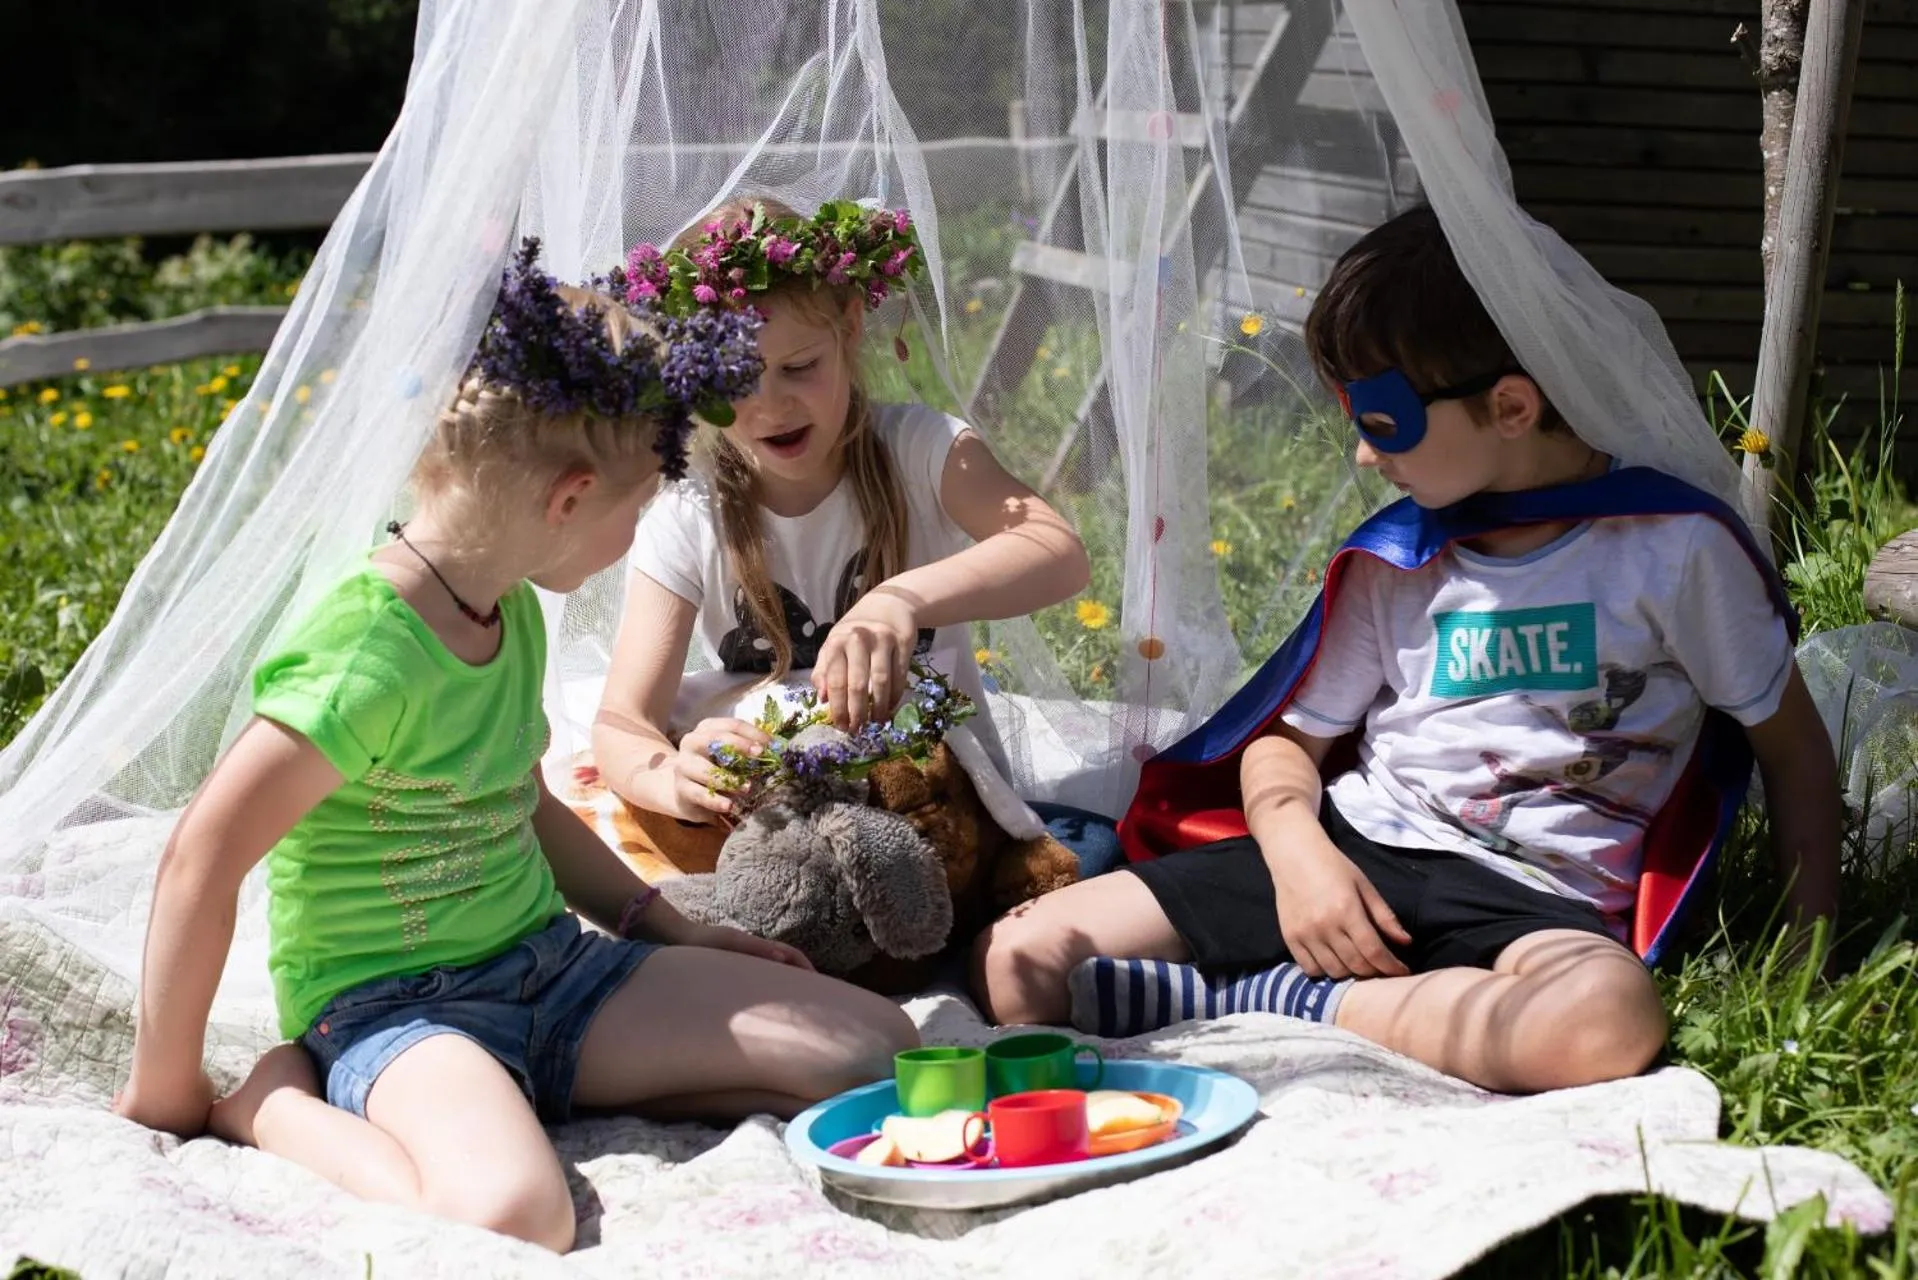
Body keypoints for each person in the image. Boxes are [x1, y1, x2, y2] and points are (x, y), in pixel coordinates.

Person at [113, 241, 919, 1252]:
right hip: (396, 1012)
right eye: (638, 506)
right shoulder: (366, 655)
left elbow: (521, 798)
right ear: (570, 498)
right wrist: (167, 1079)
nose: (638, 530)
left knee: (873, 1047)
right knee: (514, 1214)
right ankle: (277, 1105)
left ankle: (525, 1097)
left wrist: (668, 926)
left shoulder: (505, 605)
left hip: (548, 971)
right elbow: (204, 853)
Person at [970, 206, 1842, 1093]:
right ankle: (1294, 990)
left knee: (1603, 1026)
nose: (1358, 452)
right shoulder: (1400, 556)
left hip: (1536, 899)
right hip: (1352, 846)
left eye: (1382, 423)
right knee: (1019, 958)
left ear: (1509, 406)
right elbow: (1288, 742)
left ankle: (1278, 1003)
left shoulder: (1673, 548)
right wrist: (1301, 858)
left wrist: (1806, 961)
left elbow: (1793, 748)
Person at [593, 197, 1122, 877]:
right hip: (779, 831)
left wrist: (899, 600)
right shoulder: (691, 511)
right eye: (735, 379)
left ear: (848, 327)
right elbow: (621, 722)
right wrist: (668, 776)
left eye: (799, 367)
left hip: (936, 814)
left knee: (1094, 852)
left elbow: (1058, 554)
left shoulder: (921, 450)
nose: (771, 405)